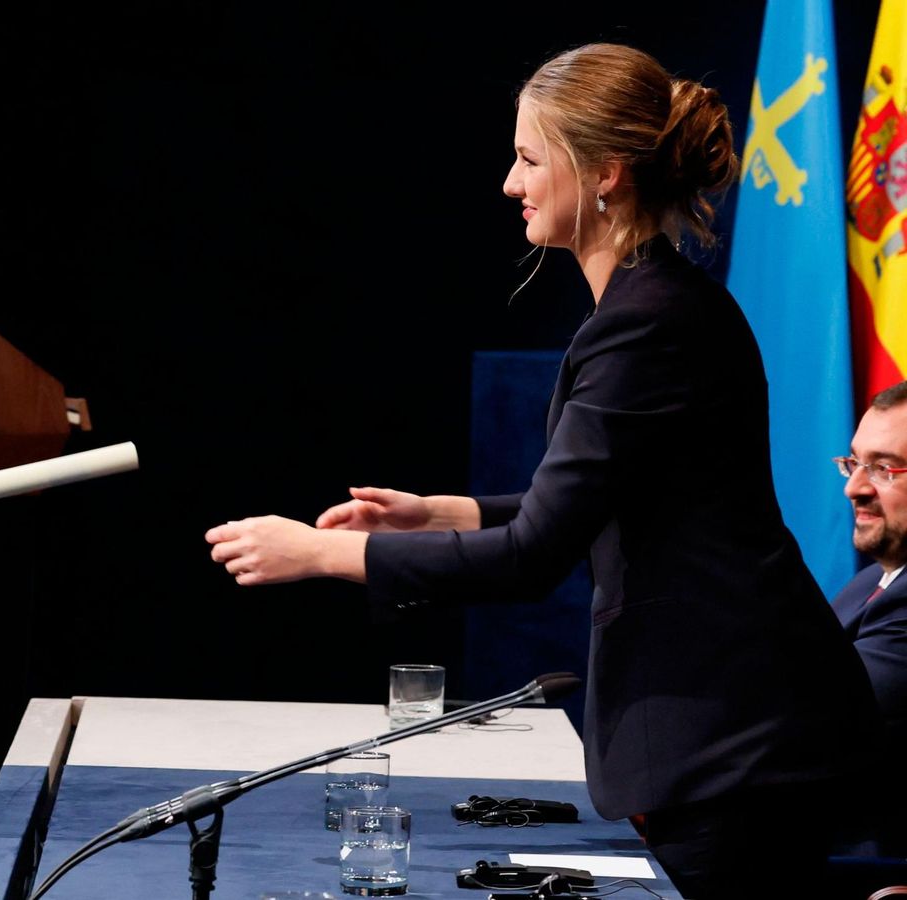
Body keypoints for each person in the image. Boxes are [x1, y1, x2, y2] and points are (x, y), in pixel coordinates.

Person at [206, 43, 878, 896]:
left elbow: (535, 554)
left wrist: (320, 554)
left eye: (529, 159)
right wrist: (440, 512)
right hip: (734, 733)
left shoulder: (648, 323)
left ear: (605, 174)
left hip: (738, 738)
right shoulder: (650, 306)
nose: (509, 183)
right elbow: (601, 502)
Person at [833, 382, 907, 753]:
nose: (854, 489)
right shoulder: (869, 582)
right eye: (854, 463)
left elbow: (806, 719)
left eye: (882, 467)